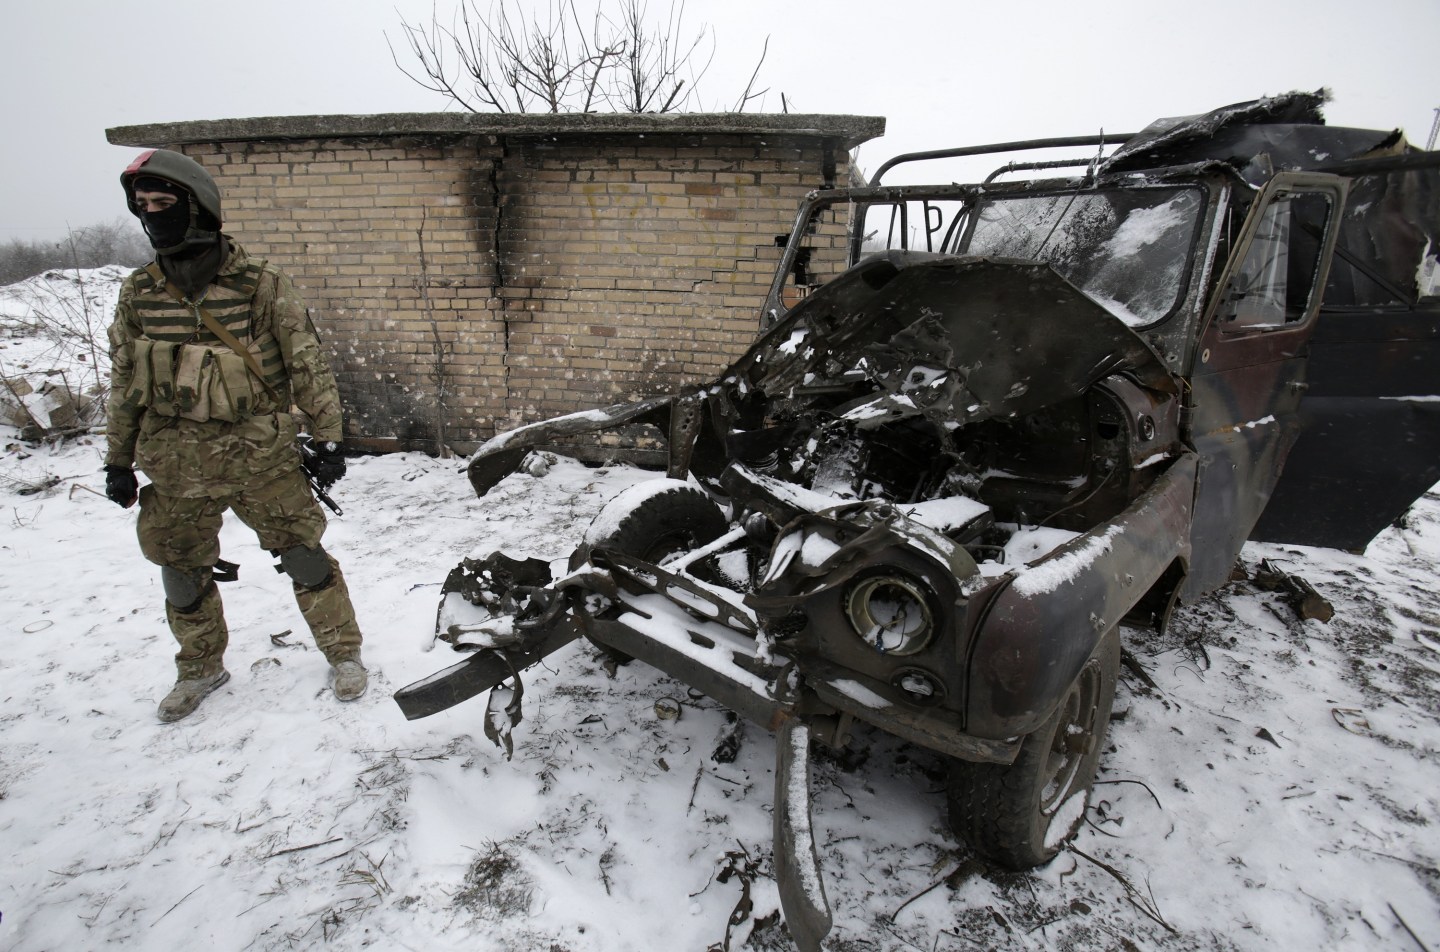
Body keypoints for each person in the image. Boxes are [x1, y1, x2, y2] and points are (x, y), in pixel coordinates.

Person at [103, 148, 368, 722]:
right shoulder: (139, 293)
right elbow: (126, 381)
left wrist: (327, 439)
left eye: (164, 203)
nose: (153, 214)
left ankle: (343, 654)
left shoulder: (259, 284)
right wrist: (118, 459)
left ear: (198, 207)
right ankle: (200, 668)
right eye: (143, 205)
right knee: (180, 572)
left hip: (260, 459)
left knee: (304, 559)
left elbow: (307, 364)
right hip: (174, 468)